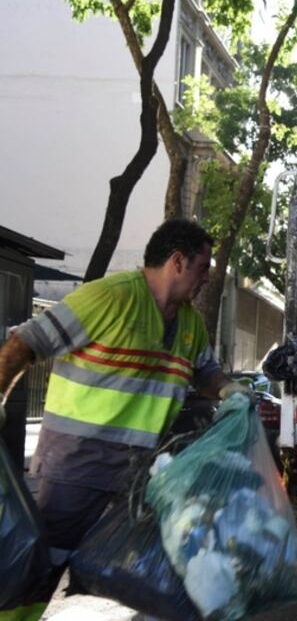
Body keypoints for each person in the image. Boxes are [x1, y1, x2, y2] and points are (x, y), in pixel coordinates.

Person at [0, 219, 249, 621]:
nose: (207, 278)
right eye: (204, 267)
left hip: (141, 473)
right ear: (178, 261)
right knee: (43, 568)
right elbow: (24, 343)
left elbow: (205, 374)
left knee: (160, 565)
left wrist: (228, 390)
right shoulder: (108, 298)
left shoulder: (189, 323)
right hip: (78, 464)